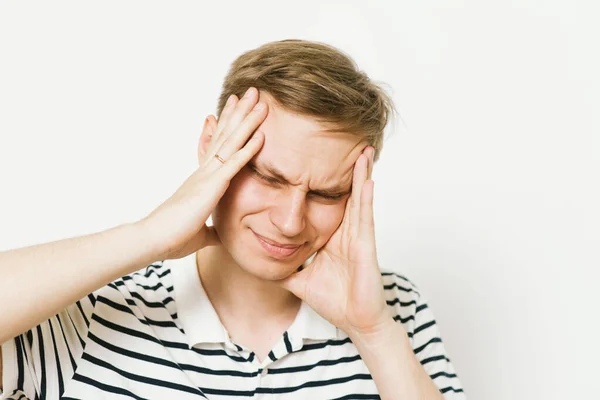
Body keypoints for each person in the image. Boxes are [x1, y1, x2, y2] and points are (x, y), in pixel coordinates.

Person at [0, 39, 466, 399]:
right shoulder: (94, 306)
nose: (289, 221)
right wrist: (150, 236)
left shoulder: (391, 308)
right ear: (212, 145)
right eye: (267, 176)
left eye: (327, 193)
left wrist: (375, 334)